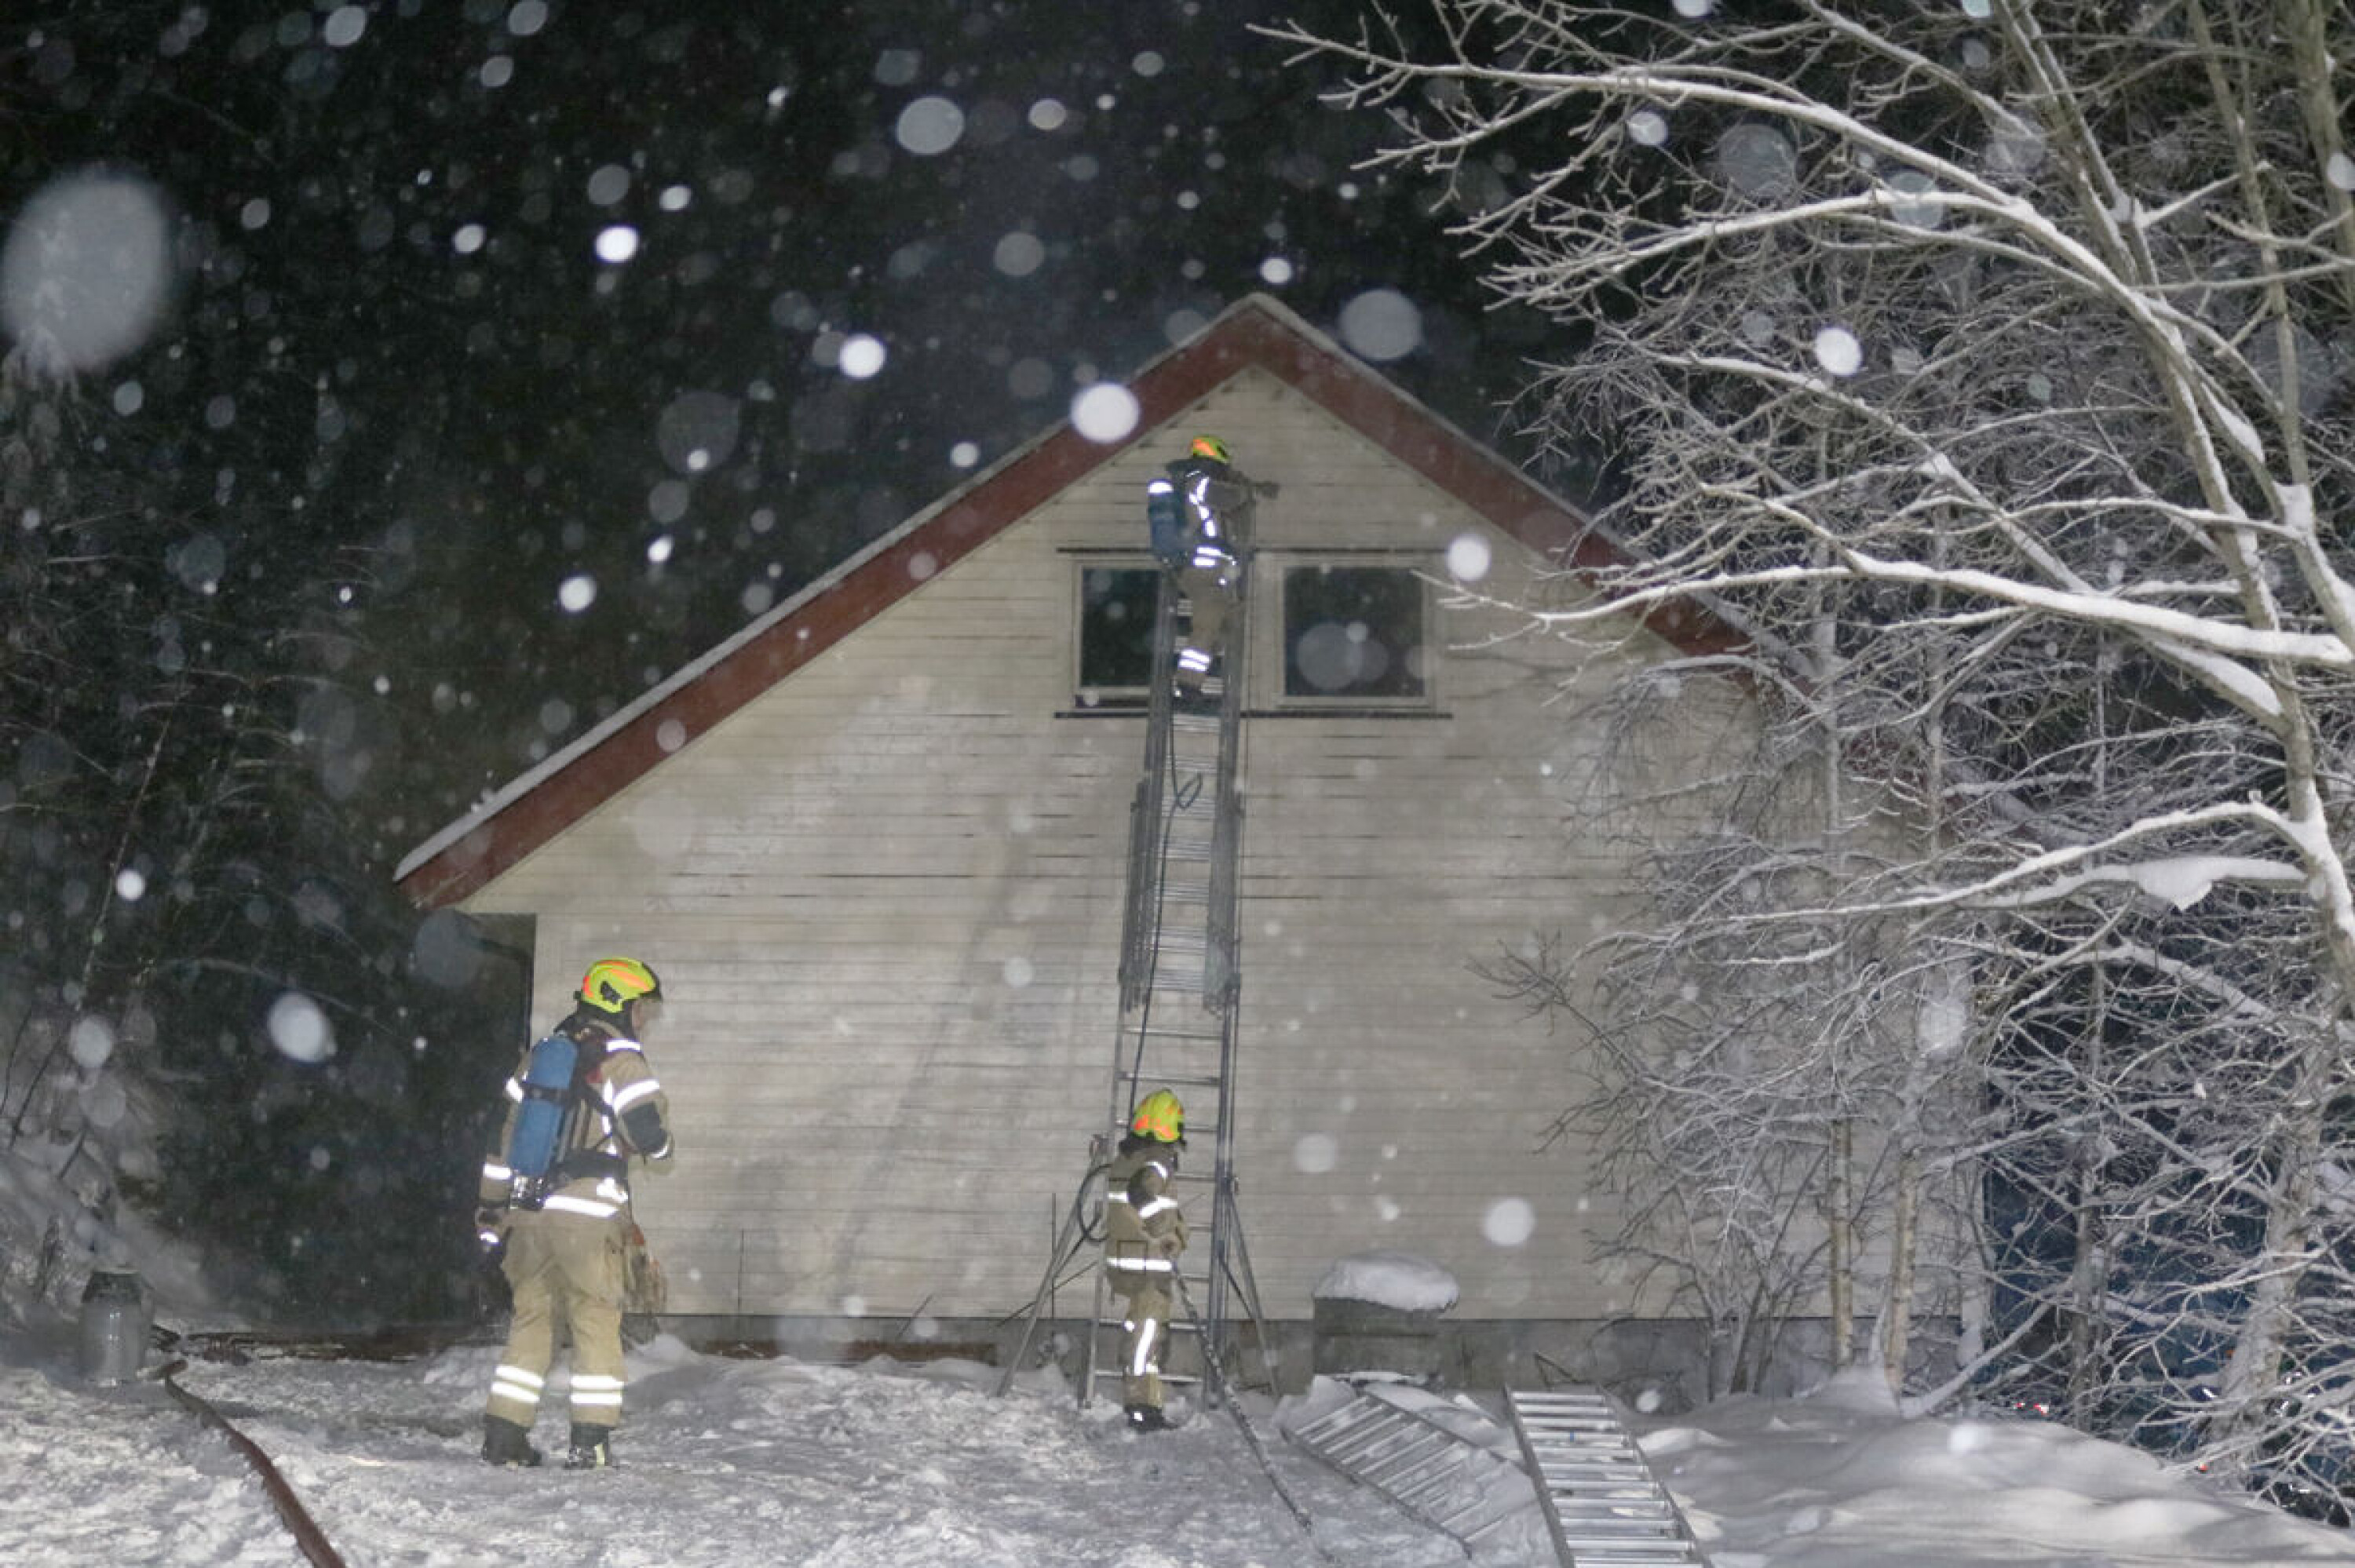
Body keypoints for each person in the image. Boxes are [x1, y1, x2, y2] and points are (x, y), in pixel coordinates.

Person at [476, 957, 674, 1469]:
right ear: (619, 1003)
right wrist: (663, 1144)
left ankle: (504, 1438)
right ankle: (590, 1444)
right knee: (595, 1323)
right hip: (587, 1221)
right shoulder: (623, 1061)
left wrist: (491, 1211)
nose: (644, 1021)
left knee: (531, 1323)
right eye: (641, 1009)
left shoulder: (540, 1057)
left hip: (529, 1215)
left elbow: (503, 1140)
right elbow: (651, 1140)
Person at [1103, 1088, 1188, 1431]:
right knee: (1146, 1338)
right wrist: (1165, 1233)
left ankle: (1144, 1403)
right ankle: (1142, 1408)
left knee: (1140, 1333)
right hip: (1148, 1268)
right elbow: (1141, 1195)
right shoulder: (1157, 1161)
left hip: (1128, 1263)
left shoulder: (1129, 1158)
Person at [1145, 434, 1247, 704]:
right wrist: (1248, 488)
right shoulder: (1199, 483)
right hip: (1203, 572)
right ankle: (1188, 683)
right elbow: (1233, 498)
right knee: (1208, 621)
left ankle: (1203, 668)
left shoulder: (1188, 485)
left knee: (1226, 620)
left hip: (1210, 572)